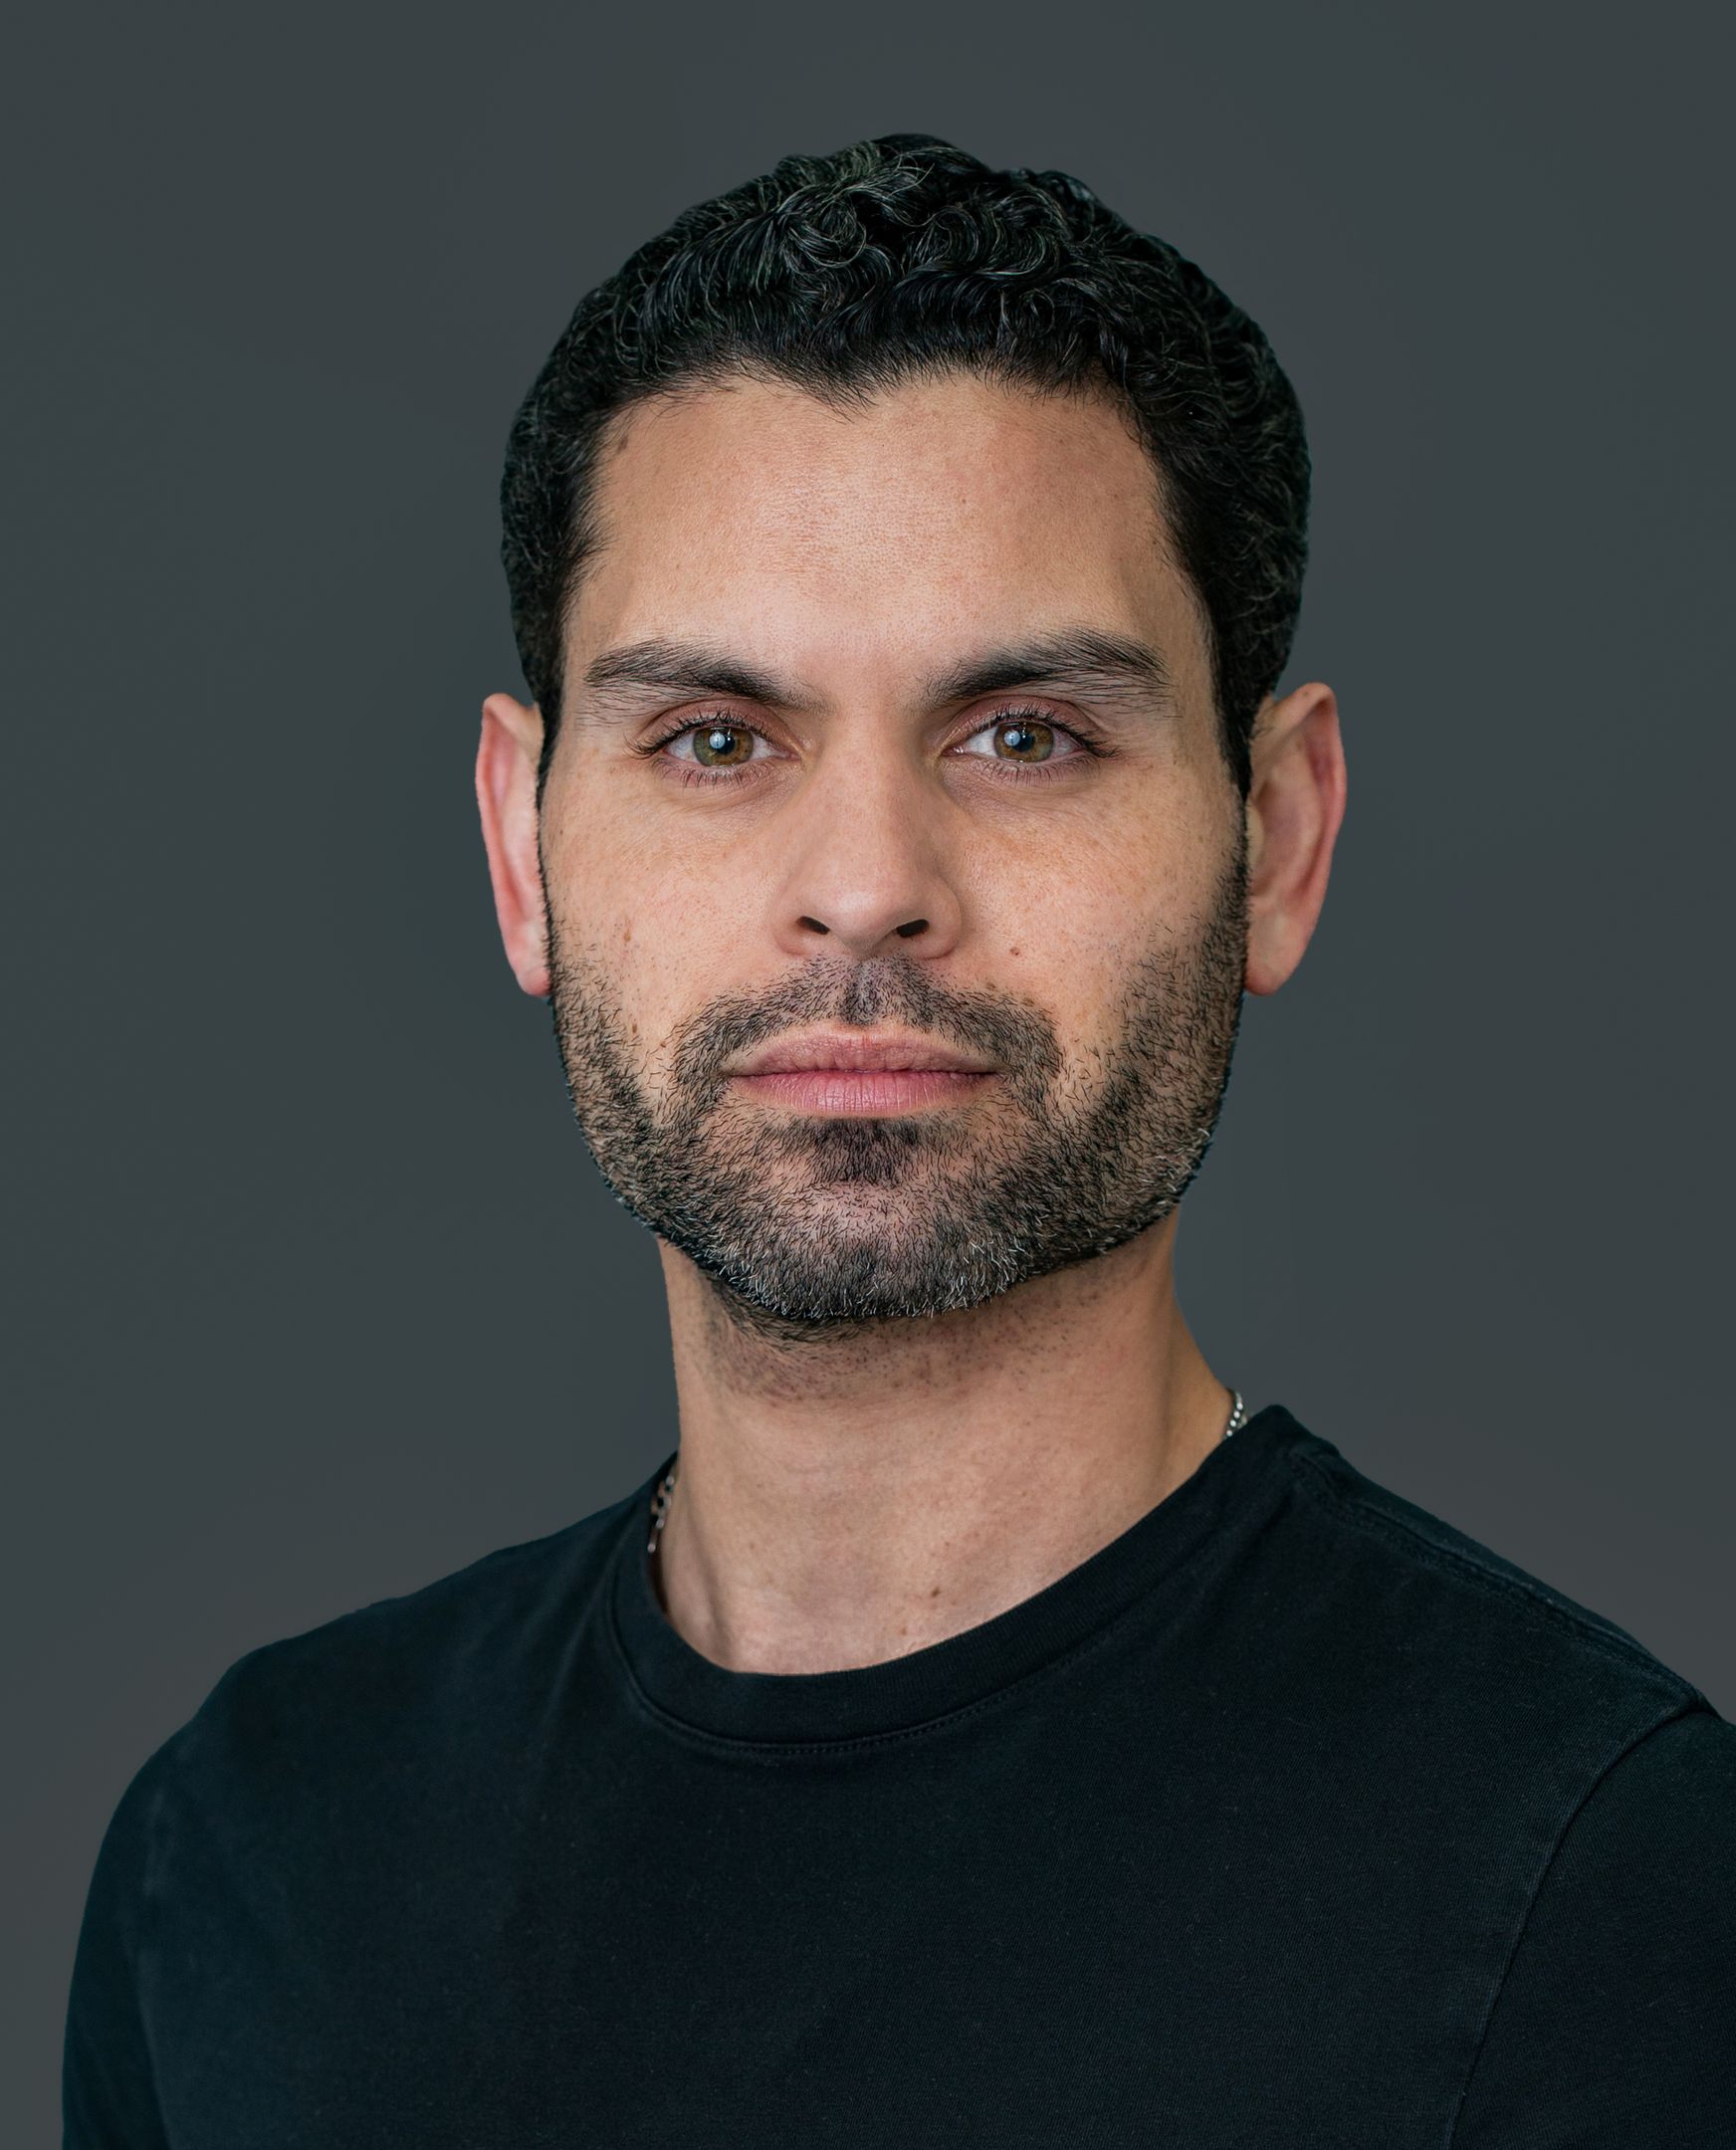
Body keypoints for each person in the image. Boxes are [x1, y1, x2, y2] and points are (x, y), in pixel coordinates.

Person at [64, 133, 1733, 2145]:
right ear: (522, 849)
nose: (863, 885)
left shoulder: (1609, 1896)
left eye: (1023, 737)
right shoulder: (249, 1861)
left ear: (1274, 837)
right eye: (715, 741)